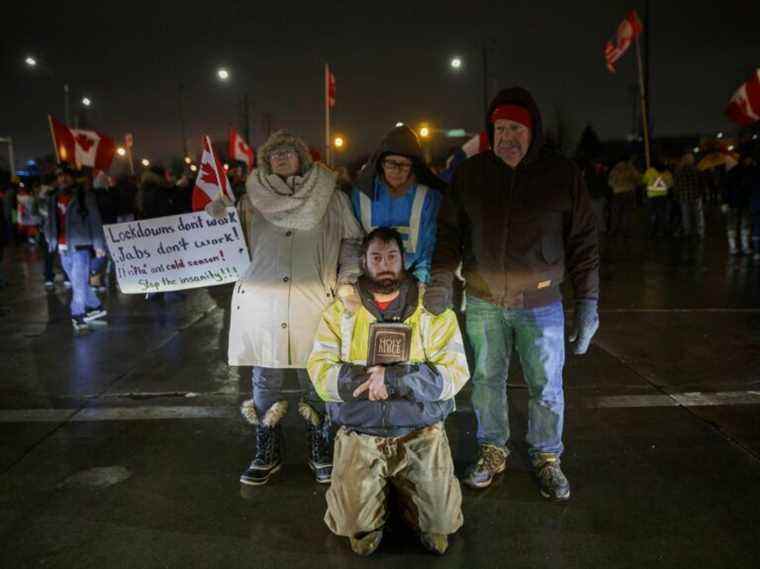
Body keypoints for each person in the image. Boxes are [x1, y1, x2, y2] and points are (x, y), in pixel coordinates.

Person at [426, 86, 600, 500]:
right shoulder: (472, 174)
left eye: (515, 128)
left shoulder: (561, 175)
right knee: (487, 380)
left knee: (547, 385)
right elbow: (449, 234)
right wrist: (440, 280)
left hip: (542, 306)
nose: (506, 136)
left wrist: (589, 303)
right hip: (485, 302)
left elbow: (584, 243)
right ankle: (492, 449)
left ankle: (547, 456)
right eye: (499, 128)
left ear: (532, 131)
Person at [206, 130, 363, 486]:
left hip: (315, 300)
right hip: (263, 304)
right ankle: (267, 451)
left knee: (315, 378)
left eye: (287, 151)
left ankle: (319, 448)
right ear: (264, 161)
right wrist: (216, 216)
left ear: (303, 158)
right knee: (265, 379)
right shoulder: (248, 201)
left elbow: (352, 241)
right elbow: (225, 244)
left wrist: (347, 279)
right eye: (273, 153)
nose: (280, 157)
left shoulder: (333, 198)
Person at [307, 227, 469, 556]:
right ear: (364, 263)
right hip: (361, 430)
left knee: (440, 529)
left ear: (403, 260)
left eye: (392, 257)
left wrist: (395, 380)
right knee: (357, 533)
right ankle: (383, 496)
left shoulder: (432, 309)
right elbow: (320, 372)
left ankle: (407, 496)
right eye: (376, 257)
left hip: (419, 430)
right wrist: (365, 381)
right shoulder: (341, 311)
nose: (385, 264)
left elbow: (455, 373)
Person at [351, 125, 445, 285]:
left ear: (413, 166)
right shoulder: (361, 196)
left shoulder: (428, 198)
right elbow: (353, 241)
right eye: (391, 163)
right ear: (381, 163)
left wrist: (420, 281)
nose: (397, 170)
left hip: (416, 281)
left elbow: (432, 243)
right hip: (371, 281)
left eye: (404, 165)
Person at [43, 164, 108, 333]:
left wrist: (99, 244)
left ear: (72, 177)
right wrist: (50, 240)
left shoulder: (83, 195)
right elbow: (49, 221)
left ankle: (77, 315)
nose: (62, 179)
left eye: (66, 176)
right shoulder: (53, 198)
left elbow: (95, 220)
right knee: (76, 282)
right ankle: (97, 307)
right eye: (59, 176)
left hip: (81, 246)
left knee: (78, 284)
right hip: (63, 247)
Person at [721, 155, 752, 256]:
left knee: (732, 225)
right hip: (743, 202)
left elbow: (725, 189)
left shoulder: (730, 173)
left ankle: (733, 247)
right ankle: (744, 246)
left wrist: (725, 202)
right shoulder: (746, 172)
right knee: (744, 225)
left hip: (733, 203)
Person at [672, 152, 705, 240]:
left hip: (684, 197)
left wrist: (676, 195)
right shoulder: (697, 170)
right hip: (696, 196)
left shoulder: (678, 171)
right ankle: (699, 232)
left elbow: (676, 184)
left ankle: (688, 232)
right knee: (698, 216)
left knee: (686, 216)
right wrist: (701, 192)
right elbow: (701, 183)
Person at [607, 156, 641, 238]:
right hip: (629, 192)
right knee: (627, 213)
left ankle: (613, 231)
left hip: (618, 193)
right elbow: (638, 179)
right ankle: (625, 232)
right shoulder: (631, 168)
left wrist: (616, 186)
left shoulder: (615, 169)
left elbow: (610, 183)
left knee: (615, 213)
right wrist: (634, 185)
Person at [642, 160, 674, 238]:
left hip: (651, 196)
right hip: (663, 196)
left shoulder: (650, 171)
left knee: (652, 214)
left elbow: (644, 181)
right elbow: (671, 184)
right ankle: (663, 231)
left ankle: (652, 231)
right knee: (663, 214)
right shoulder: (667, 173)